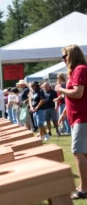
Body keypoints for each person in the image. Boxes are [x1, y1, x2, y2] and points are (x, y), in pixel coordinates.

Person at [55, 45, 87, 199]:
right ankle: (84, 186)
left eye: (64, 56)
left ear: (72, 55)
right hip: (77, 118)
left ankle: (84, 189)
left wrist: (61, 90)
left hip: (83, 118)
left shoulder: (80, 69)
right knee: (83, 153)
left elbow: (78, 93)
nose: (63, 59)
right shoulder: (76, 71)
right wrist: (64, 113)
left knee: (78, 152)